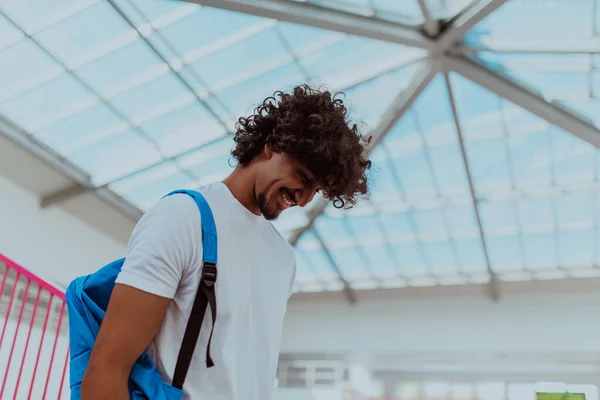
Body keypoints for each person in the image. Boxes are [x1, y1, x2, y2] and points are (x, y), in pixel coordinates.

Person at [80, 84, 372, 399]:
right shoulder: (183, 218)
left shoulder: (283, 260)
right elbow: (107, 369)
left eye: (316, 190)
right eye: (302, 176)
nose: (303, 201)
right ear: (270, 144)